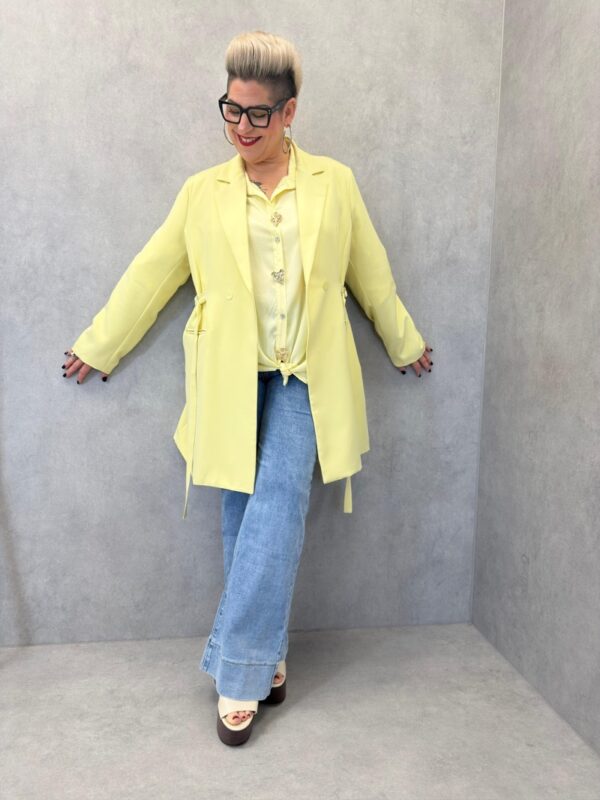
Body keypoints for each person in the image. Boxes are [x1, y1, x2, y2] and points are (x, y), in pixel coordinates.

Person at [61, 30, 433, 746]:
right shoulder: (202, 193)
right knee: (241, 519)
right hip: (228, 374)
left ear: (290, 112)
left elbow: (371, 273)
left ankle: (237, 670)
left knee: (278, 506)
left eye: (258, 114)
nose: (241, 127)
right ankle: (268, 656)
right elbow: (151, 273)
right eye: (231, 110)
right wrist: (98, 344)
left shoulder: (334, 183)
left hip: (305, 376)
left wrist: (405, 342)